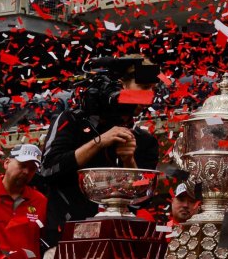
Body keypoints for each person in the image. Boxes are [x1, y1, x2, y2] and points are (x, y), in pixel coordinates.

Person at [37, 55, 160, 249]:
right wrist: (99, 142)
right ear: (121, 86)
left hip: (117, 245)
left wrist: (129, 161)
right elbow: (48, 169)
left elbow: (141, 200)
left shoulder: (145, 141)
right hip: (66, 241)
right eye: (144, 88)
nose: (150, 96)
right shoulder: (71, 121)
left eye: (153, 88)